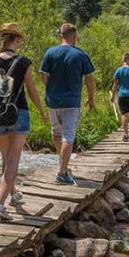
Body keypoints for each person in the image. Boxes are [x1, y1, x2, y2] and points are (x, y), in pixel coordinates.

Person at [0, 23, 49, 220]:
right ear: (16, 40)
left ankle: (14, 194)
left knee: (5, 158)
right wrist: (42, 112)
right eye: (20, 40)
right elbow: (32, 91)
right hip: (19, 114)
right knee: (12, 161)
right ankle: (0, 205)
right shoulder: (23, 62)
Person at [40, 23, 95, 185]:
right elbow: (89, 79)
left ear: (60, 35)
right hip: (71, 102)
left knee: (56, 132)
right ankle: (62, 173)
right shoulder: (81, 55)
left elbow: (43, 75)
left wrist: (50, 88)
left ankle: (61, 162)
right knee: (68, 136)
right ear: (74, 36)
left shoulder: (50, 52)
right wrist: (91, 99)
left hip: (52, 101)